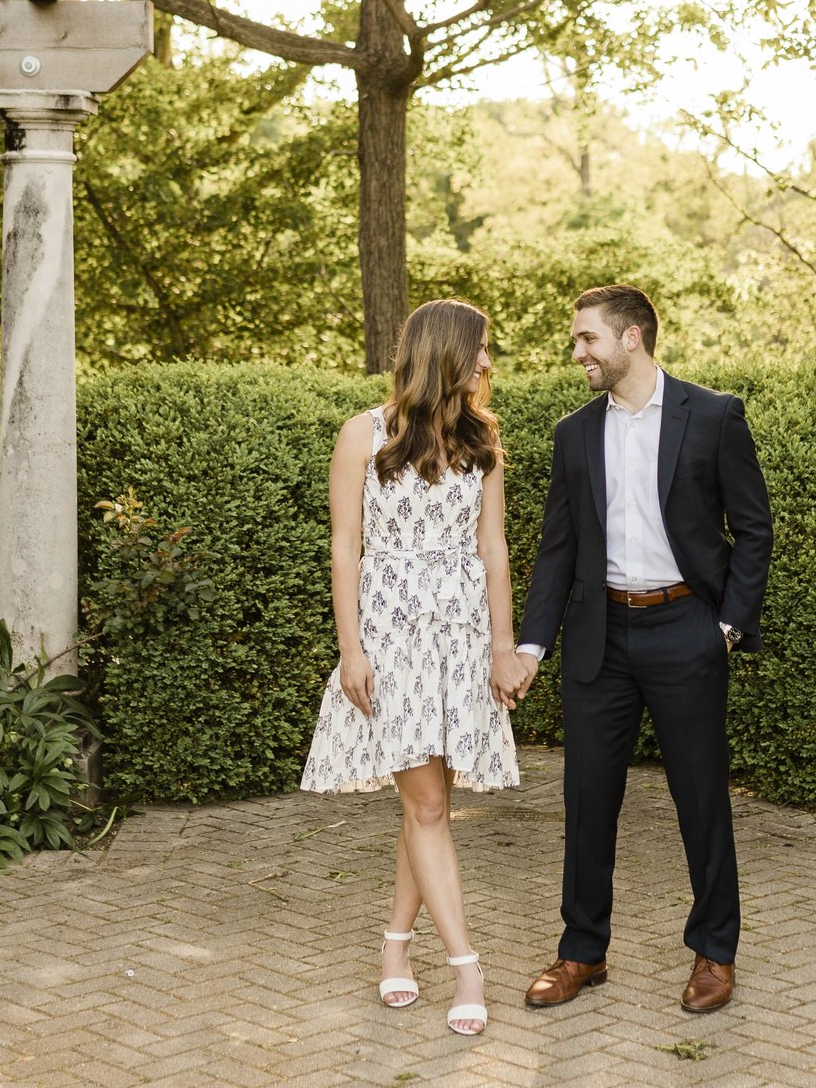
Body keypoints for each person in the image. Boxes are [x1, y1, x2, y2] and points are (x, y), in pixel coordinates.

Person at [508, 283, 773, 1014]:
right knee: (587, 799)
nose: (578, 353)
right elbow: (556, 550)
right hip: (602, 640)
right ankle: (581, 951)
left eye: (587, 338)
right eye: (576, 341)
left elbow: (754, 528)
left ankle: (715, 952)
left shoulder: (713, 414)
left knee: (699, 800)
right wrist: (532, 645)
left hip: (687, 630)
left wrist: (725, 626)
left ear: (632, 338)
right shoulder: (573, 432)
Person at [299, 298, 526, 1038]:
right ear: (446, 353)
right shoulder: (361, 434)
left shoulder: (483, 436)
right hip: (389, 637)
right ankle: (466, 965)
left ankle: (395, 949)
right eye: (482, 348)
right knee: (428, 804)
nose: (489, 362)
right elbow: (344, 549)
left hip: (461, 638)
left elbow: (493, 548)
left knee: (427, 802)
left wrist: (503, 644)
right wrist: (350, 649)